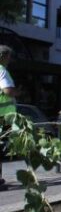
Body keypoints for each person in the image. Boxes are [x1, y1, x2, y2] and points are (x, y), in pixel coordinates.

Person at [0, 45, 19, 189]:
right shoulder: (2, 71)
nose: (10, 60)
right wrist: (17, 92)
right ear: (4, 57)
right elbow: (7, 91)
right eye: (9, 56)